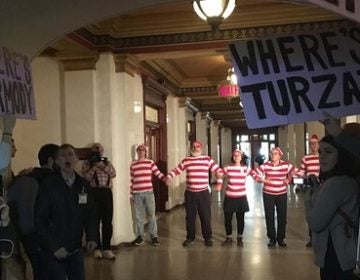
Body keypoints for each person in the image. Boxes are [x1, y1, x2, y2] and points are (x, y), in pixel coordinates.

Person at [34, 144, 97, 280]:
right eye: (62, 155)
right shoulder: (48, 185)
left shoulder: (83, 185)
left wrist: (92, 236)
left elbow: (90, 213)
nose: (66, 158)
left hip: (76, 248)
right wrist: (53, 247)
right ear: (57, 161)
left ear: (76, 159)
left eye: (70, 154)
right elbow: (40, 219)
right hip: (55, 250)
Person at [305, 135, 360, 280]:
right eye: (320, 152)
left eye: (328, 152)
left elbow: (315, 223)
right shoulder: (350, 180)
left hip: (336, 255)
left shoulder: (336, 183)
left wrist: (308, 199)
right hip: (348, 252)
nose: (322, 157)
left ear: (342, 154)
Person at [7, 144, 59, 280]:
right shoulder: (54, 180)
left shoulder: (25, 178)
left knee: (41, 271)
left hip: (29, 235)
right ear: (51, 160)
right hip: (42, 234)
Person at [166, 140, 223, 247]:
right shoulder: (186, 160)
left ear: (201, 148)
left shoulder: (207, 159)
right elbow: (177, 170)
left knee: (205, 216)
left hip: (203, 193)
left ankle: (208, 238)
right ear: (191, 148)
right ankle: (190, 237)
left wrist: (219, 183)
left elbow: (219, 171)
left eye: (197, 146)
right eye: (193, 146)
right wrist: (169, 177)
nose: (195, 148)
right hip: (190, 193)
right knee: (190, 217)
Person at [252, 147, 298, 247]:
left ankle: (281, 238)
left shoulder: (286, 165)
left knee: (282, 217)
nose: (273, 155)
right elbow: (254, 173)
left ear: (280, 155)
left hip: (281, 193)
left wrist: (289, 179)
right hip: (268, 194)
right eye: (272, 154)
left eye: (275, 154)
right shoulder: (266, 165)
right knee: (270, 216)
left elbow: (295, 171)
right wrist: (263, 180)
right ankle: (272, 238)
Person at [82, 143, 116, 260]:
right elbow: (86, 178)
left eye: (101, 149)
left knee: (107, 221)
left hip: (106, 193)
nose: (99, 151)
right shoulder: (87, 163)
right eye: (96, 149)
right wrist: (94, 167)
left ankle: (107, 248)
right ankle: (96, 248)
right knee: (94, 221)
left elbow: (113, 174)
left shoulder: (107, 162)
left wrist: (102, 166)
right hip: (93, 193)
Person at [216, 149, 253, 247]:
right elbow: (220, 174)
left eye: (238, 155)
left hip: (241, 197)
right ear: (233, 157)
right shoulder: (227, 167)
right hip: (230, 196)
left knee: (240, 219)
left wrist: (265, 179)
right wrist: (219, 184)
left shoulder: (245, 168)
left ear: (241, 158)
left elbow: (256, 175)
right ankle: (228, 237)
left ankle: (240, 237)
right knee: (228, 219)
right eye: (235, 155)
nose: (236, 157)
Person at [130, 144, 165, 246]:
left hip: (148, 192)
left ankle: (154, 236)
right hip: (137, 193)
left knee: (151, 215)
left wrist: (165, 179)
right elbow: (132, 180)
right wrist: (130, 194)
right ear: (137, 152)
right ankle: (140, 236)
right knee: (138, 217)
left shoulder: (150, 162)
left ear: (145, 152)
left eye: (143, 150)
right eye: (139, 150)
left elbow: (158, 173)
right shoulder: (133, 164)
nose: (141, 152)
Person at [299, 134, 320, 247]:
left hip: (321, 188)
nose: (313, 145)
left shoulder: (322, 157)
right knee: (310, 213)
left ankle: (320, 237)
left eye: (315, 143)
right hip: (309, 188)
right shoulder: (305, 158)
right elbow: (302, 173)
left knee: (321, 212)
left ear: (318, 144)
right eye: (311, 144)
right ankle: (312, 237)